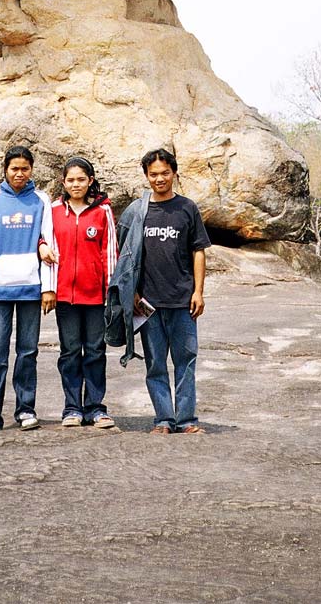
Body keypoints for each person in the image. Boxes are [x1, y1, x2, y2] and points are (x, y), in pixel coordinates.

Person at [113, 148, 211, 434]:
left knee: (185, 362)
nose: (159, 179)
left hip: (183, 300)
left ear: (175, 173)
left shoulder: (187, 208)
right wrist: (130, 292)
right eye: (153, 174)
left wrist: (199, 291)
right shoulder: (136, 212)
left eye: (165, 173)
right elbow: (124, 256)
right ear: (146, 176)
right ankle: (164, 420)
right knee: (155, 365)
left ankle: (187, 419)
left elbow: (199, 252)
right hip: (148, 303)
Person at [0, 145, 56, 433]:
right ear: (5, 169)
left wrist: (48, 288)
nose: (20, 173)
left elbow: (47, 243)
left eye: (25, 168)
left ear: (32, 170)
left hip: (31, 289)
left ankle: (26, 409)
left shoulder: (41, 200)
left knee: (28, 352)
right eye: (14, 168)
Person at [43, 156, 118, 429]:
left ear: (91, 181)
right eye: (71, 180)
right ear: (63, 182)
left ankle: (96, 408)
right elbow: (43, 238)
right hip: (65, 296)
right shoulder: (52, 211)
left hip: (96, 295)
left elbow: (110, 252)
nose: (76, 184)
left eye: (81, 179)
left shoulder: (102, 211)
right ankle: (72, 408)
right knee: (70, 351)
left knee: (96, 351)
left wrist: (112, 292)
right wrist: (41, 246)